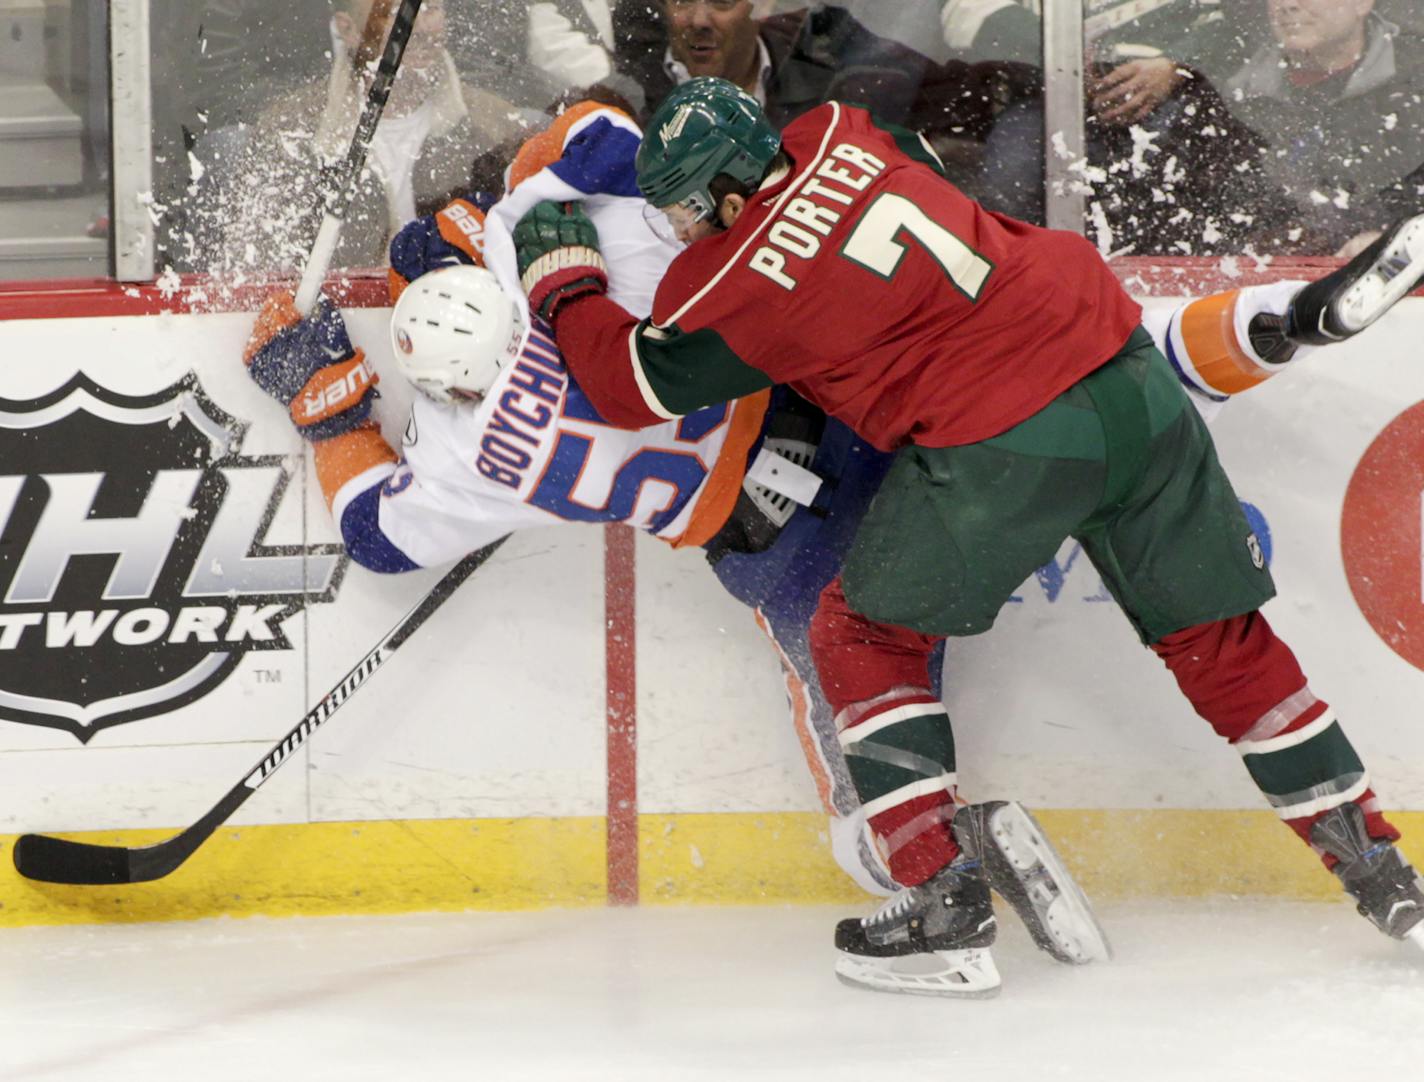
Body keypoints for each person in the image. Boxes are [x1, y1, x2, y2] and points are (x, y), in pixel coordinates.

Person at [245, 93, 1424, 994]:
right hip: (1015, 383)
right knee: (1194, 559)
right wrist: (514, 216)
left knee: (856, 652)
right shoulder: (835, 126)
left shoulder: (483, 448)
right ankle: (1382, 870)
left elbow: (548, 423)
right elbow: (589, 139)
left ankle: (919, 873)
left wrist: (330, 407)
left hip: (879, 483)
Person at [197, 0, 525, 276]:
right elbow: (258, 274)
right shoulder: (291, 131)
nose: (421, 27)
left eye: (431, 7)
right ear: (348, 30)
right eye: (398, 11)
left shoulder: (495, 126)